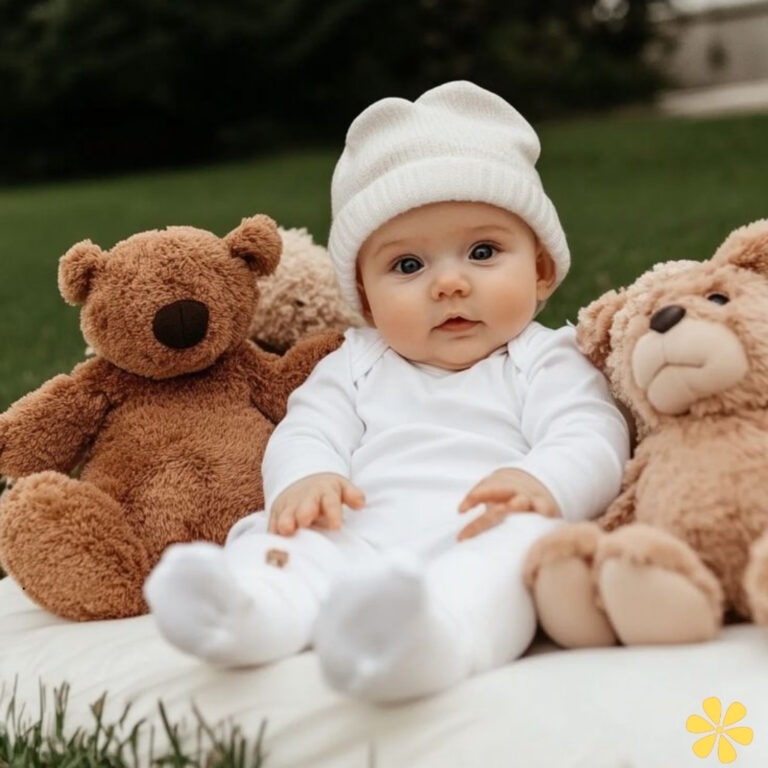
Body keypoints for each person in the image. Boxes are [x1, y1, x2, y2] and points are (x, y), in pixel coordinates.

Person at [144, 80, 629, 703]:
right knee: (287, 540)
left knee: (521, 556)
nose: (449, 283)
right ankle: (248, 613)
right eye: (408, 266)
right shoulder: (355, 363)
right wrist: (307, 479)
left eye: (483, 252)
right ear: (366, 300)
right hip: (357, 526)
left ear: (539, 271)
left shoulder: (544, 357)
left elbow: (592, 432)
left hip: (485, 526)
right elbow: (306, 428)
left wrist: (546, 483)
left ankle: (430, 640)